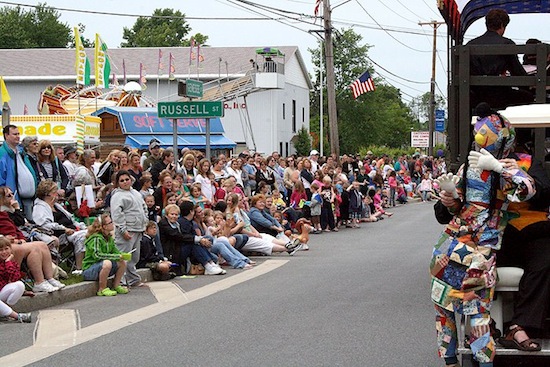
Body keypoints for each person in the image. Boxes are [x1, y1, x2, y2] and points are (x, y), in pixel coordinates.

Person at [429, 107, 536, 367]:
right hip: (451, 243)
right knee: (443, 306)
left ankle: (482, 361)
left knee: (476, 311)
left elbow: (527, 190)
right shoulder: (470, 166)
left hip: (482, 249)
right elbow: (460, 207)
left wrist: (499, 167)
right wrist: (450, 198)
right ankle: (450, 359)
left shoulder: (513, 166)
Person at [467, 9, 533, 109]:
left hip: (475, 96)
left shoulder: (470, 45)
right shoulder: (506, 44)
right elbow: (518, 74)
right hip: (499, 95)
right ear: (502, 25)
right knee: (528, 97)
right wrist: (530, 86)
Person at [32, 180, 87, 274]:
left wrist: (82, 226)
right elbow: (44, 224)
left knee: (91, 232)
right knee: (82, 236)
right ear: (47, 194)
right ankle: (79, 268)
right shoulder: (40, 208)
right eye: (54, 192)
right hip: (59, 235)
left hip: (72, 230)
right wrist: (64, 229)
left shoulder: (57, 206)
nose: (57, 194)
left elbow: (72, 219)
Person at [110, 170, 148, 287]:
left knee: (134, 257)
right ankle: (120, 281)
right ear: (118, 183)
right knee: (123, 256)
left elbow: (143, 207)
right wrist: (123, 229)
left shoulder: (136, 193)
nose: (125, 182)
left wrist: (145, 222)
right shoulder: (117, 196)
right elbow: (117, 214)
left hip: (138, 228)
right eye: (122, 181)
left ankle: (133, 279)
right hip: (128, 229)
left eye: (127, 179)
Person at [81, 213, 130, 297]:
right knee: (107, 263)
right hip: (90, 270)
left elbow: (115, 251)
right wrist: (116, 257)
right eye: (110, 223)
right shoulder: (96, 238)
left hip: (103, 267)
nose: (112, 224)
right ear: (104, 226)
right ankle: (102, 288)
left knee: (122, 262)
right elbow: (97, 255)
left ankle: (116, 285)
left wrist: (122, 255)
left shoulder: (109, 238)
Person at [0, 125, 37, 220]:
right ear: (6, 135)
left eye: (18, 134)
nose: (18, 136)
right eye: (14, 134)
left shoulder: (21, 152)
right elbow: (1, 180)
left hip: (26, 199)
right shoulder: (2, 154)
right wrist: (7, 197)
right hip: (12, 201)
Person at [0, 236, 32, 323]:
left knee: (19, 285)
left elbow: (14, 278)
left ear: (10, 249)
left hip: (2, 292)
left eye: (6, 249)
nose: (4, 252)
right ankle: (17, 316)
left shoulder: (11, 263)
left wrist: (8, 263)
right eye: (1, 250)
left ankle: (3, 311)